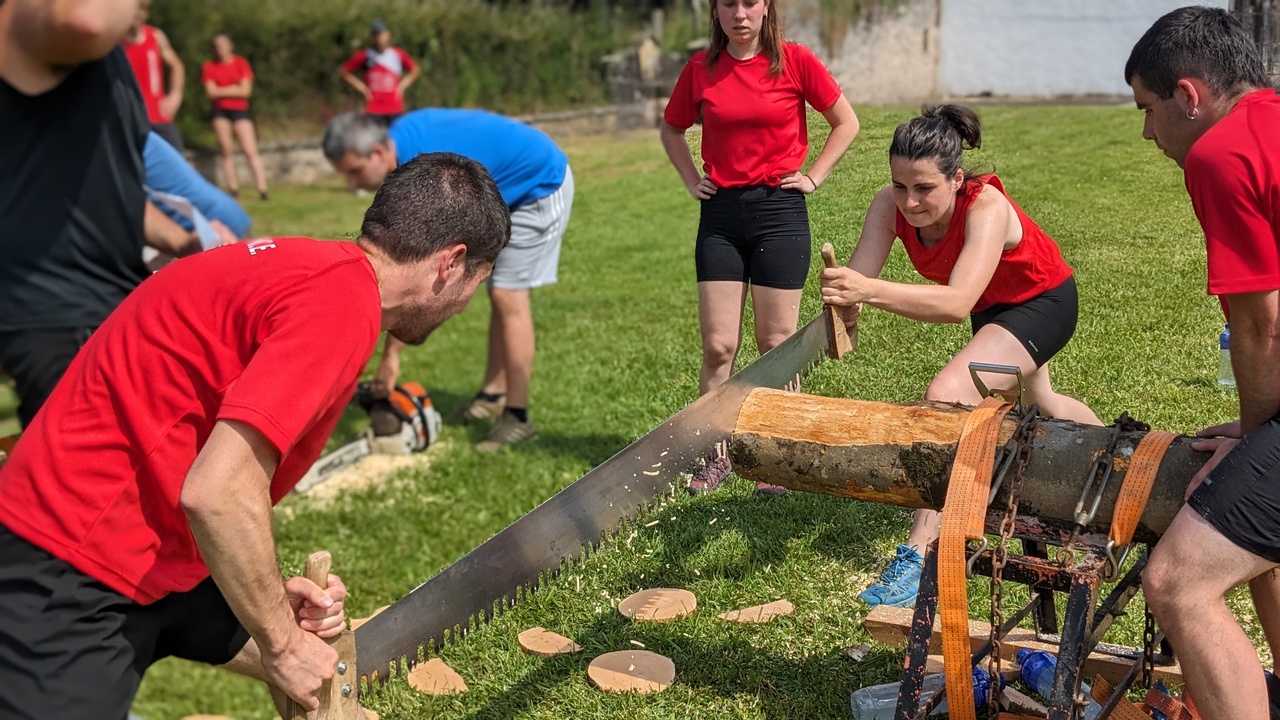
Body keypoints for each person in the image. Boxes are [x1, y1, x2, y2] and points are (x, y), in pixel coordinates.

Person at [0, 152, 511, 719]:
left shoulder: (317, 272)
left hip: (147, 539)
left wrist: (265, 603)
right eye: (478, 281)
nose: (465, 305)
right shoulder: (341, 306)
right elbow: (217, 494)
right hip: (71, 557)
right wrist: (282, 644)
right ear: (451, 263)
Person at [820, 105, 1101, 608]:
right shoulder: (887, 205)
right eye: (900, 186)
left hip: (1042, 303)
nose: (909, 201)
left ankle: (921, 551)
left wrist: (866, 291)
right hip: (993, 306)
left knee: (948, 395)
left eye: (924, 188)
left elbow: (955, 303)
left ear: (956, 178)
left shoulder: (986, 206)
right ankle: (1118, 461)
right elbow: (860, 283)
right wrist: (847, 303)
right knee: (1039, 404)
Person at [1124, 8, 1280, 719]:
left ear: (1188, 95)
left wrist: (1256, 436)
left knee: (1178, 583)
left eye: (1147, 109)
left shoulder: (1221, 153)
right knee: (1260, 544)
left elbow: (1261, 324)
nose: (1147, 132)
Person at [1, 0, 209, 429]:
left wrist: (182, 239)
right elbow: (86, 20)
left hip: (105, 305)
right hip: (61, 314)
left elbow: (102, 189)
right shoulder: (27, 20)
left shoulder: (103, 60)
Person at [323, 109, 573, 453]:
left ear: (378, 152)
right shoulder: (408, 156)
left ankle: (518, 418)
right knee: (499, 292)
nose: (353, 185)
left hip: (537, 183)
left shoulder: (424, 175)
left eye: (355, 172)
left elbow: (420, 274)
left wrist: (391, 357)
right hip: (499, 190)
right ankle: (492, 395)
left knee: (508, 295)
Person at [660, 0, 858, 402]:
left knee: (776, 343)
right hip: (721, 219)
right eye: (728, 4)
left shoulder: (795, 61)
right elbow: (671, 129)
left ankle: (782, 435)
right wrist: (692, 180)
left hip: (778, 213)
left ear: (766, 7)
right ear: (715, 10)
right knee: (718, 347)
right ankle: (712, 438)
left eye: (750, 3)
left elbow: (846, 122)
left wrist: (813, 177)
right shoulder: (700, 69)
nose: (739, 14)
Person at [202, 34, 269, 200]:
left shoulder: (241, 63)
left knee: (250, 150)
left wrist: (221, 90)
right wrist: (234, 88)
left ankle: (262, 189)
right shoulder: (209, 66)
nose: (220, 49)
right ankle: (233, 189)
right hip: (220, 112)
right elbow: (211, 92)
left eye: (223, 45)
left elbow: (245, 91)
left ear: (230, 45)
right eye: (217, 46)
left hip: (240, 111)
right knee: (226, 150)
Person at [121, 0, 185, 151]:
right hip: (128, 118)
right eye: (135, 9)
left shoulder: (155, 36)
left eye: (143, 9)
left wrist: (175, 95)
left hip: (158, 115)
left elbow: (177, 65)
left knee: (177, 160)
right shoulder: (114, 41)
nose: (138, 14)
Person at [339, 19, 419, 125]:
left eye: (382, 34)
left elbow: (415, 70)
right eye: (377, 34)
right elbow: (343, 71)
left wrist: (402, 86)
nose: (380, 38)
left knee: (397, 134)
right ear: (373, 37)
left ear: (388, 35)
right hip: (373, 107)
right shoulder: (365, 56)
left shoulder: (397, 54)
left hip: (394, 106)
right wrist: (363, 89)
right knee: (370, 135)